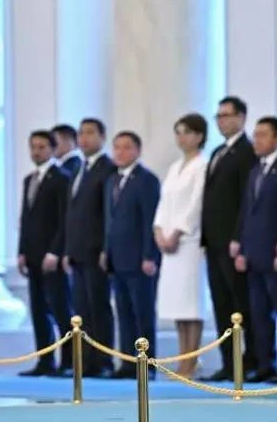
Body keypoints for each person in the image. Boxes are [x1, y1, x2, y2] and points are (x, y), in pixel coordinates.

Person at [234, 117, 277, 383]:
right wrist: (241, 247)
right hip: (254, 254)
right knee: (259, 314)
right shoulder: (255, 170)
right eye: (255, 134)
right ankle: (265, 363)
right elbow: (247, 211)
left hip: (274, 253)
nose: (256, 140)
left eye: (262, 135)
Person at [201, 96, 257, 381]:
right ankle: (228, 362)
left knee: (242, 304)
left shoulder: (247, 152)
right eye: (218, 116)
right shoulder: (218, 152)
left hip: (233, 243)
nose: (221, 121)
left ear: (241, 117)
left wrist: (239, 238)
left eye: (226, 115)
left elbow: (247, 201)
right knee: (221, 304)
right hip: (213, 242)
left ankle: (253, 359)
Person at [153, 114, 208, 377]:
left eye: (186, 132)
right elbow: (164, 203)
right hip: (168, 243)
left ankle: (191, 360)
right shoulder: (175, 167)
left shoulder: (202, 165)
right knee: (176, 303)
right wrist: (159, 231)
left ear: (199, 136)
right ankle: (181, 357)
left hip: (189, 242)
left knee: (191, 303)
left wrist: (177, 232)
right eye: (178, 132)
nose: (181, 137)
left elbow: (196, 203)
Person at [102, 131, 161, 378]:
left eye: (126, 147)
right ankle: (127, 362)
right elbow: (109, 220)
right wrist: (106, 250)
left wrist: (149, 255)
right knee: (123, 313)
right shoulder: (112, 180)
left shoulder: (147, 180)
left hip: (139, 259)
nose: (120, 152)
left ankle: (146, 364)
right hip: (117, 258)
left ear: (137, 150)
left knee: (142, 313)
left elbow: (150, 220)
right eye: (116, 147)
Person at [63, 119, 116, 378]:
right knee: (81, 310)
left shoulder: (108, 168)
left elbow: (107, 214)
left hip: (96, 251)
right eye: (81, 133)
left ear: (102, 137)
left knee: (99, 308)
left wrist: (106, 248)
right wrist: (66, 250)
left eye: (90, 133)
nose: (84, 138)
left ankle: (103, 361)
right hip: (77, 251)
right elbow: (71, 213)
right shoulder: (78, 169)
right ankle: (85, 361)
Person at [16, 130, 71, 377]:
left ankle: (68, 362)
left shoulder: (62, 178)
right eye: (33, 147)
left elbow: (64, 219)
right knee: (38, 311)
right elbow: (26, 218)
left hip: (51, 256)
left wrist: (55, 251)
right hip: (33, 255)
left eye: (41, 147)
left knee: (60, 309)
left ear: (52, 149)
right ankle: (44, 361)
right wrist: (21, 251)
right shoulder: (29, 179)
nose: (36, 151)